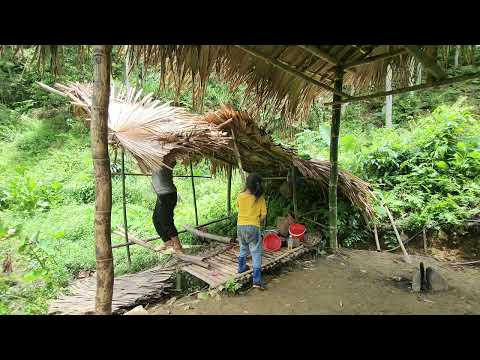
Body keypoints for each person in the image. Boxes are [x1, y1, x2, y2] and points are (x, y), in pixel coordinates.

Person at [236, 173, 267, 290]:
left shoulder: (240, 196)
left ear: (247, 184)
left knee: (243, 247)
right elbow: (263, 215)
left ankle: (241, 268)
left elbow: (238, 208)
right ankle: (257, 281)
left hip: (240, 226)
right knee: (256, 252)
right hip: (253, 226)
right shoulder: (260, 198)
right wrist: (256, 221)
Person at [151, 160, 183, 253]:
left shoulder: (166, 162)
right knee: (156, 219)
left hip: (168, 194)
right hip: (161, 195)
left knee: (166, 221)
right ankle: (168, 243)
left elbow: (172, 161)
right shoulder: (153, 161)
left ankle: (178, 246)